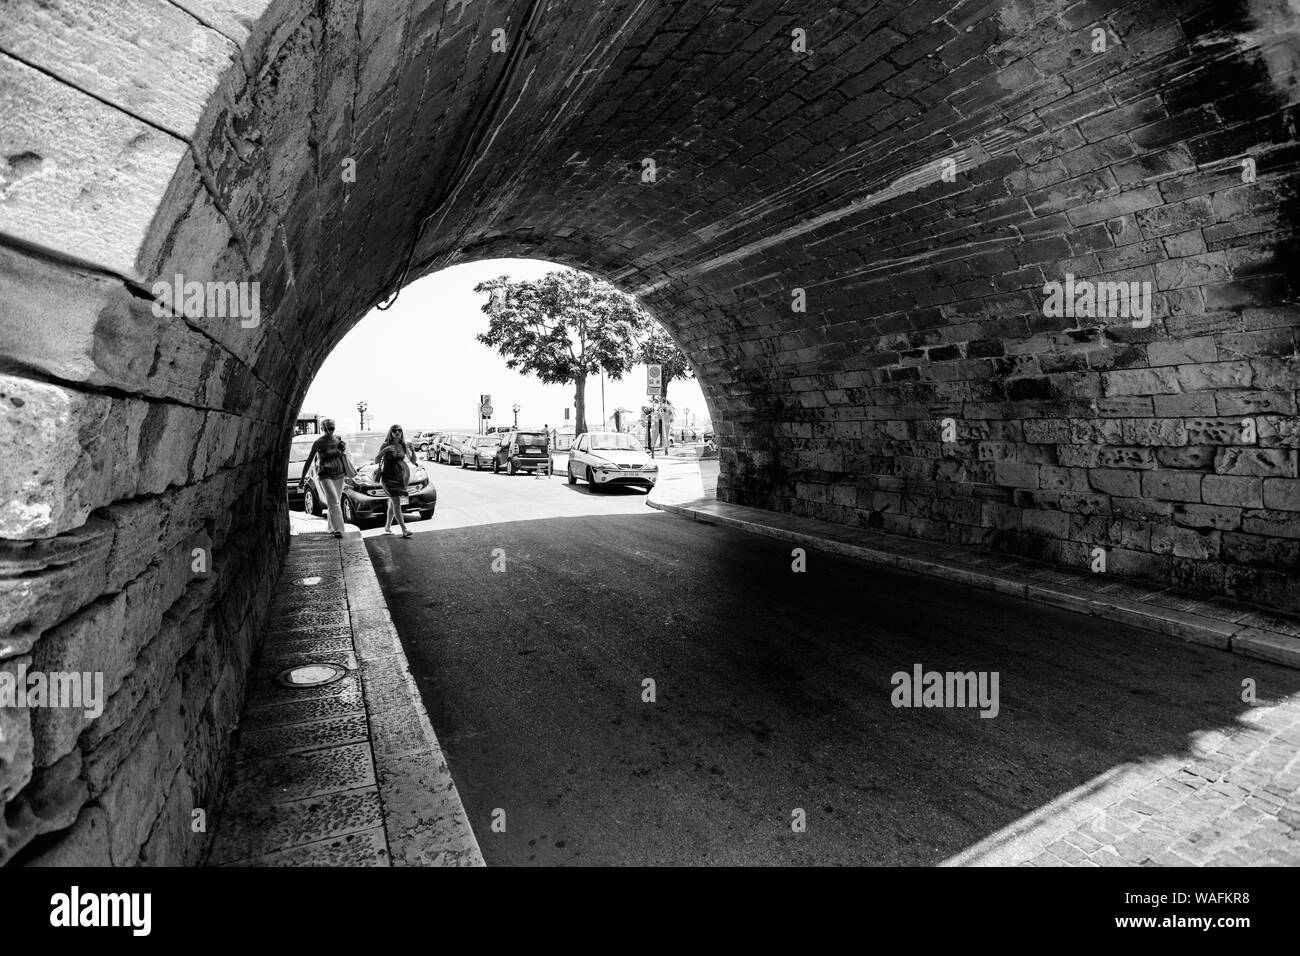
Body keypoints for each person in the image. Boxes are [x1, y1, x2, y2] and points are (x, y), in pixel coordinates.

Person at [299, 418, 348, 538]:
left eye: (332, 428)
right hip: (325, 474)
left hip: (339, 473)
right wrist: (302, 478)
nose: (330, 430)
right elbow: (309, 460)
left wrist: (343, 449)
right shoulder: (318, 443)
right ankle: (339, 529)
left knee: (334, 501)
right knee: (334, 500)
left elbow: (344, 455)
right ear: (322, 429)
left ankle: (331, 527)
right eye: (328, 428)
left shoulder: (339, 439)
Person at [376, 424, 419, 537]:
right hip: (388, 478)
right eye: (395, 430)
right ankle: (404, 529)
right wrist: (384, 451)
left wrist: (413, 451)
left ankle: (387, 527)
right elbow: (376, 460)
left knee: (392, 503)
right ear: (391, 432)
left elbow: (413, 461)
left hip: (400, 477)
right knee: (396, 502)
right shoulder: (386, 444)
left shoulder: (403, 445)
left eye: (399, 430)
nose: (397, 432)